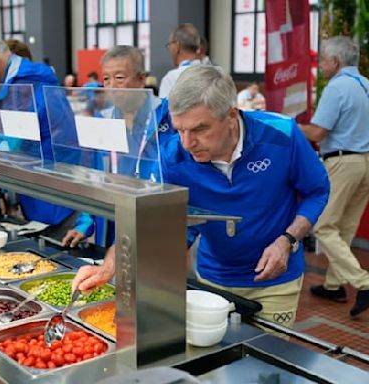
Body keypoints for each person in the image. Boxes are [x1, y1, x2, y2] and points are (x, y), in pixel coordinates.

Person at [73, 65, 330, 328]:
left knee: (269, 363)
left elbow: (317, 191)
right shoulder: (172, 156)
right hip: (211, 278)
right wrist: (109, 267)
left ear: (231, 116)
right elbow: (147, 220)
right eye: (179, 130)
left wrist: (287, 240)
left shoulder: (282, 134)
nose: (187, 143)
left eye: (199, 129)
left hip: (276, 282)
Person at [0, 28, 75, 235]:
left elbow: (12, 139)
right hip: (42, 186)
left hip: (54, 191)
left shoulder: (24, 84)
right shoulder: (15, 82)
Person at [62, 46, 176, 248]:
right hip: (113, 220)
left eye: (120, 78)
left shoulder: (168, 116)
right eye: (106, 79)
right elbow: (94, 177)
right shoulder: (103, 120)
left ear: (141, 79)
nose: (112, 86)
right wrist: (84, 224)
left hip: (155, 219)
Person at [299, 36, 369, 317]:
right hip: (366, 161)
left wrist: (287, 124)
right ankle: (333, 285)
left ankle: (363, 282)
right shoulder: (367, 85)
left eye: (322, 60)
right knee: (345, 227)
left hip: (343, 162)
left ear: (335, 61)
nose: (320, 65)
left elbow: (317, 133)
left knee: (324, 226)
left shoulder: (337, 87)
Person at [158, 23, 201, 99]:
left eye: (169, 45)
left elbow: (164, 110)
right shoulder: (215, 74)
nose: (169, 49)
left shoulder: (171, 78)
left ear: (177, 46)